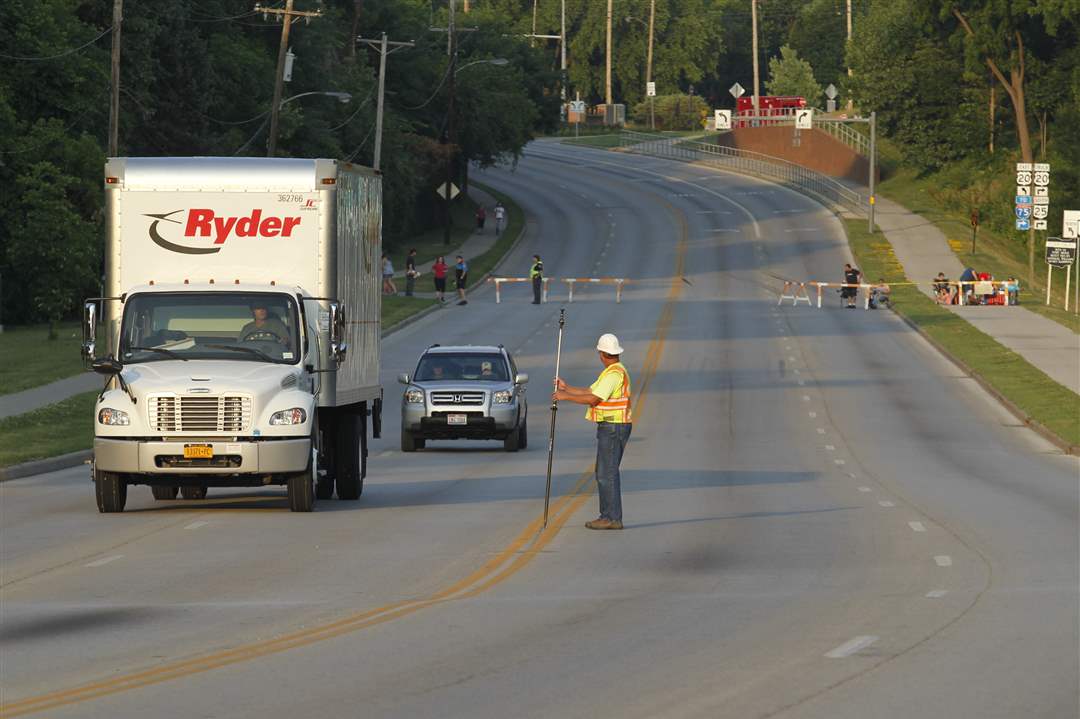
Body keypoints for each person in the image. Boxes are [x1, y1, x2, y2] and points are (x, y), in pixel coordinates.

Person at [553, 333, 632, 530]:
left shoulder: (614, 374)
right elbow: (590, 391)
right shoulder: (611, 372)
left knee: (607, 473)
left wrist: (565, 397)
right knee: (603, 472)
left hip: (613, 427)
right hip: (611, 426)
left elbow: (592, 400)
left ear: (603, 354)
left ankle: (611, 518)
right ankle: (608, 516)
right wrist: (567, 388)